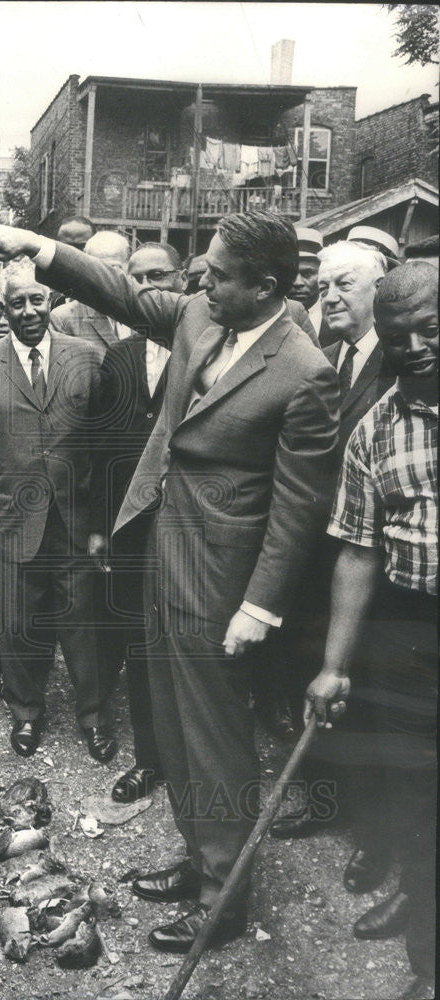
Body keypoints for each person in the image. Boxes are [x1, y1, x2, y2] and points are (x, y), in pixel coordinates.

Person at [0, 212, 339, 952]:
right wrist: (39, 250)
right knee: (170, 725)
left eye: (218, 273)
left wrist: (260, 607)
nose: (200, 281)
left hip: (221, 579)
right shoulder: (205, 315)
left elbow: (299, 507)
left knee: (213, 737)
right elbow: (121, 295)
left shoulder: (304, 372)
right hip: (160, 544)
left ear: (265, 287)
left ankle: (223, 898)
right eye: (201, 267)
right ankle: (199, 855)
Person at [305, 262, 437, 1000]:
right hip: (411, 631)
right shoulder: (375, 427)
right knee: (417, 797)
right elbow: (357, 550)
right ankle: (427, 960)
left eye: (430, 330)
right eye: (397, 336)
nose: (414, 347)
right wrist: (334, 664)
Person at [0, 258, 116, 763]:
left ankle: (93, 716)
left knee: (83, 622)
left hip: (74, 519)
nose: (28, 311)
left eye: (37, 300)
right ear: (2, 308)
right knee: (19, 621)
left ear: (51, 302)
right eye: (17, 302)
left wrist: (99, 526)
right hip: (11, 519)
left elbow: (101, 447)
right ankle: (26, 712)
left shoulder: (87, 358)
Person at [269, 240, 395, 839]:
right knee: (315, 672)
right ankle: (324, 800)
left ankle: (373, 828)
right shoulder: (325, 357)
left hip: (380, 560)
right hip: (320, 550)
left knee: (370, 688)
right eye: (323, 288)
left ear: (383, 287)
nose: (330, 296)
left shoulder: (405, 365)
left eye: (345, 283)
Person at [96, 242, 178, 801]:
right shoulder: (120, 357)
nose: (148, 287)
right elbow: (103, 449)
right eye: (136, 278)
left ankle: (192, 752)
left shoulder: (212, 351)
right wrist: (102, 526)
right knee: (139, 640)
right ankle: (151, 756)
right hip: (129, 523)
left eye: (159, 276)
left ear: (182, 281)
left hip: (186, 524)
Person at [50, 231, 133, 351]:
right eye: (97, 270)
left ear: (128, 266)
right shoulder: (63, 320)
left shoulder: (145, 313)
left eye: (113, 268)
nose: (105, 277)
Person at [49, 216, 96, 310]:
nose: (73, 254)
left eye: (81, 247)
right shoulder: (45, 286)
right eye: (66, 247)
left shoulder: (104, 289)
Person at [289, 227, 324, 339]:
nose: (297, 282)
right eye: (291, 274)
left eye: (307, 274)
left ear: (322, 274)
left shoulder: (336, 316)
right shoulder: (271, 318)